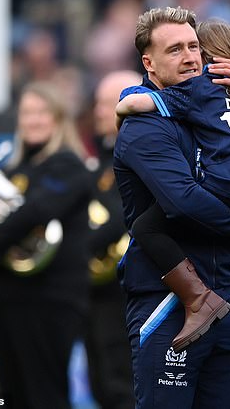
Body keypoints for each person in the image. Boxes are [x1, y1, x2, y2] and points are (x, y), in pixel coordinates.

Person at [112, 6, 230, 409]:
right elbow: (183, 204)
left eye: (194, 47)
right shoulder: (146, 126)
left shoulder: (217, 107)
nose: (190, 57)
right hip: (168, 301)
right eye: (175, 50)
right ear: (149, 62)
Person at [0, 81, 92, 409]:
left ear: (59, 118)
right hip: (8, 297)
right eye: (26, 113)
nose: (33, 120)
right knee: (14, 397)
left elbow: (37, 210)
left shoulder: (69, 165)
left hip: (49, 300)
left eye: (41, 112)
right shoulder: (12, 169)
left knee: (45, 396)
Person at [84, 70, 141, 409]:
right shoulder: (99, 160)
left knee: (124, 384)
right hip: (97, 290)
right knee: (102, 383)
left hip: (130, 290)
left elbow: (124, 214)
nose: (100, 111)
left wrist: (79, 244)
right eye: (99, 103)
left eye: (109, 103)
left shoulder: (142, 155)